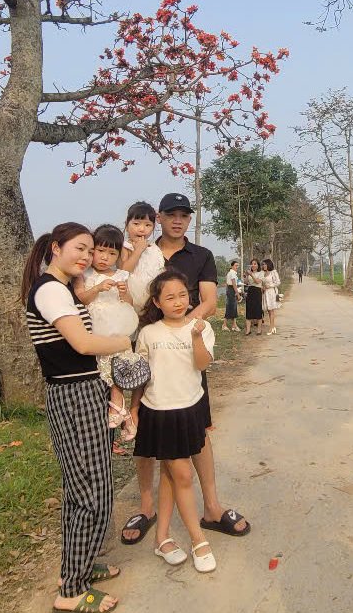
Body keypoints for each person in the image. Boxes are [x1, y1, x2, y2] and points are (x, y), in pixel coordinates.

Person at [118, 193, 251, 547]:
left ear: (189, 220)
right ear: (158, 217)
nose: (178, 220)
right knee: (145, 426)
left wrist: (178, 328)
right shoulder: (140, 251)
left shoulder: (202, 256)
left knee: (199, 427)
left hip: (185, 348)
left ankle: (211, 506)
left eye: (184, 215)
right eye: (171, 215)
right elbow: (120, 286)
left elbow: (208, 300)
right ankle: (147, 507)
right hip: (143, 345)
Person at [22, 222, 131, 613]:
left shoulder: (60, 289)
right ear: (56, 248)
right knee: (93, 494)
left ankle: (79, 568)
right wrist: (126, 343)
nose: (87, 257)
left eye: (91, 251)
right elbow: (83, 344)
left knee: (81, 489)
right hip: (74, 395)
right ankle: (71, 591)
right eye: (79, 249)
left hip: (79, 391)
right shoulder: (51, 289)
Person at [134, 270, 218, 574]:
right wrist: (133, 411)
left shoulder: (201, 327)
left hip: (189, 409)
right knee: (182, 475)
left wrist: (195, 337)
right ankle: (198, 539)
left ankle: (162, 537)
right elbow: (139, 376)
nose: (178, 302)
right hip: (158, 412)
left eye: (183, 295)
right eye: (170, 297)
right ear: (157, 302)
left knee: (171, 475)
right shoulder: (149, 334)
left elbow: (202, 364)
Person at [74, 224, 141, 451]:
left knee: (120, 369)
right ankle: (118, 414)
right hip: (96, 329)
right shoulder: (85, 274)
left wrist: (124, 294)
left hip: (119, 327)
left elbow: (130, 303)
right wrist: (98, 288)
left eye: (112, 253)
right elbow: (81, 299)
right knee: (105, 369)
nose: (105, 257)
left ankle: (121, 411)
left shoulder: (123, 274)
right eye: (101, 251)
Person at [119, 201, 165, 312]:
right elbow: (124, 271)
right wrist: (138, 250)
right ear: (127, 224)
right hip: (129, 303)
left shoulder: (154, 249)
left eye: (148, 225)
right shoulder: (125, 246)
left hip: (152, 304)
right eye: (136, 224)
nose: (142, 229)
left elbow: (161, 272)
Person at [243, 259, 265, 335]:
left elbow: (257, 282)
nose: (253, 265)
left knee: (258, 309)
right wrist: (246, 276)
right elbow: (246, 283)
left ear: (258, 265)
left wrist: (251, 275)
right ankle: (248, 330)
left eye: (255, 264)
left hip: (257, 291)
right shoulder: (249, 273)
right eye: (252, 264)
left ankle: (259, 330)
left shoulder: (261, 273)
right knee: (248, 309)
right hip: (250, 290)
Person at [262, 258, 281, 335]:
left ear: (268, 264)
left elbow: (278, 282)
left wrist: (269, 286)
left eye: (265, 264)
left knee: (271, 310)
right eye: (263, 264)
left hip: (271, 292)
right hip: (264, 293)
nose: (263, 266)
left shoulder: (273, 272)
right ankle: (273, 327)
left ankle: (272, 327)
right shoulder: (262, 273)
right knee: (268, 310)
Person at [222, 259, 242, 332]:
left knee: (234, 307)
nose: (237, 267)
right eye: (236, 265)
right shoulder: (232, 273)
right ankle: (224, 325)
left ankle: (234, 325)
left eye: (238, 266)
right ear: (232, 266)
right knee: (230, 307)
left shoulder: (231, 273)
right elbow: (233, 283)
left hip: (230, 290)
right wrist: (237, 293)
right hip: (231, 290)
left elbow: (229, 283)